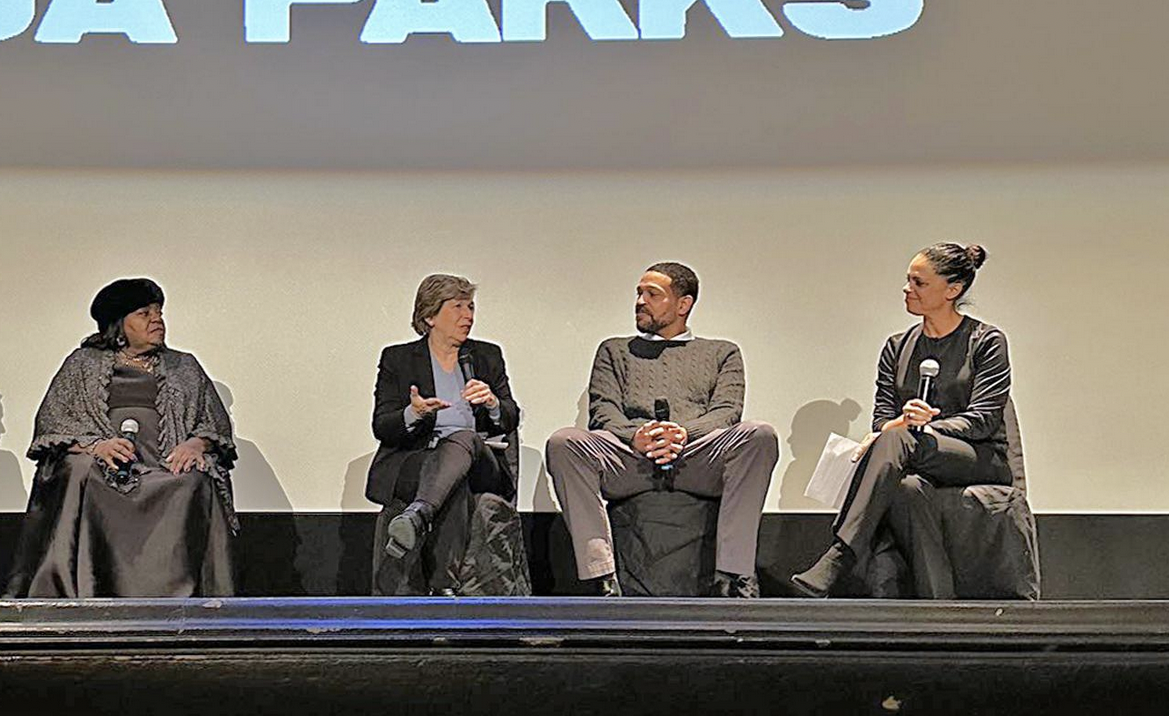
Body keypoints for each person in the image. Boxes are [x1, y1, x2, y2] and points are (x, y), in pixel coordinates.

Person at [792, 243, 1012, 598]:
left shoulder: (985, 341)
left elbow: (984, 421)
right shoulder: (898, 346)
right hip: (913, 455)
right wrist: (897, 427)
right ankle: (936, 602)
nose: (907, 289)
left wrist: (926, 425)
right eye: (907, 280)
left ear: (952, 290)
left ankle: (841, 554)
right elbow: (883, 420)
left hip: (978, 458)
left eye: (919, 283)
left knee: (900, 440)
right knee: (907, 489)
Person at [545, 262, 778, 597]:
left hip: (695, 459)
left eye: (652, 294)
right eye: (639, 293)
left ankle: (734, 575)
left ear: (683, 304)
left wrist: (683, 434)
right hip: (632, 460)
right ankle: (602, 577)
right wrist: (636, 436)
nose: (640, 301)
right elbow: (603, 410)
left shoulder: (721, 352)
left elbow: (727, 412)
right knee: (564, 442)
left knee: (760, 435)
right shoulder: (615, 350)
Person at [6, 278, 238, 598]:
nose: (157, 319)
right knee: (79, 470)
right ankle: (86, 589)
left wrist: (195, 444)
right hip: (107, 463)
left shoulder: (184, 365)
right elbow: (52, 423)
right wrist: (95, 446)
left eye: (159, 312)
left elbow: (214, 424)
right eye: (144, 313)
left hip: (163, 464)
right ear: (119, 324)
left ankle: (177, 598)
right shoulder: (83, 363)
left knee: (196, 479)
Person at [367, 274, 522, 595]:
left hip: (481, 460)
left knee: (464, 440)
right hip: (419, 459)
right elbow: (382, 425)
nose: (469, 316)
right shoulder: (397, 358)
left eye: (471, 307)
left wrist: (493, 402)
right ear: (430, 316)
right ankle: (444, 587)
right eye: (458, 307)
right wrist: (416, 413)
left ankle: (418, 513)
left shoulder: (487, 355)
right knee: (452, 481)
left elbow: (510, 416)